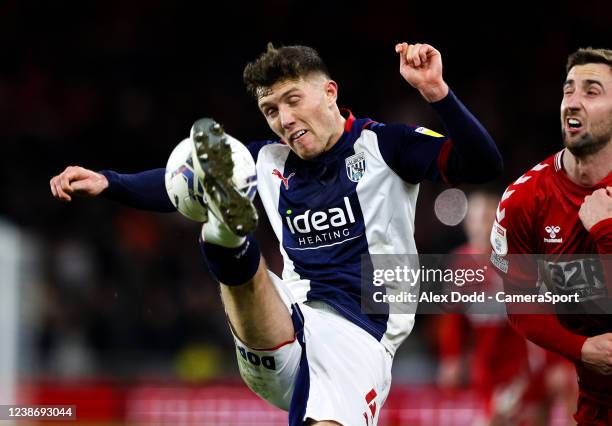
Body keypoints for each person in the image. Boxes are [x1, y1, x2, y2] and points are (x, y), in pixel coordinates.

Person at [50, 42, 503, 425]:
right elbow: (171, 184)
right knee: (240, 236)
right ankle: (228, 235)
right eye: (270, 109)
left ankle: (227, 235)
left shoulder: (384, 145)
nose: (283, 119)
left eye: (292, 100)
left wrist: (437, 93)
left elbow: (484, 165)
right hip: (287, 317)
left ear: (329, 93)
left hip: (361, 334)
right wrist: (110, 182)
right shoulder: (267, 160)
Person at [489, 47, 612, 425]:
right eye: (568, 90)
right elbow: (519, 303)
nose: (573, 102)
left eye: (591, 91)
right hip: (597, 403)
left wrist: (605, 233)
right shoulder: (524, 200)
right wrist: (581, 348)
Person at [437, 191, 576, 426]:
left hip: (522, 366)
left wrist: (556, 363)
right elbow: (453, 317)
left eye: (488, 219)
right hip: (486, 366)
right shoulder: (460, 264)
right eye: (476, 219)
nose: (481, 227)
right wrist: (451, 357)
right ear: (467, 224)